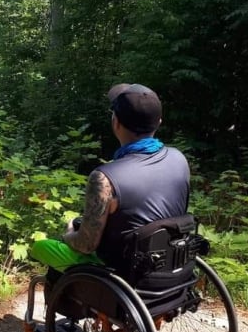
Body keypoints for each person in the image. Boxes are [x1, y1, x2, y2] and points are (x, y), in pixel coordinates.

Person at [30, 83, 191, 285]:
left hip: (123, 275)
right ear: (158, 122)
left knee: (41, 247)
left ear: (115, 122)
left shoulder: (105, 177)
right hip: (173, 268)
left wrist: (69, 233)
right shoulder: (179, 159)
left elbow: (87, 245)